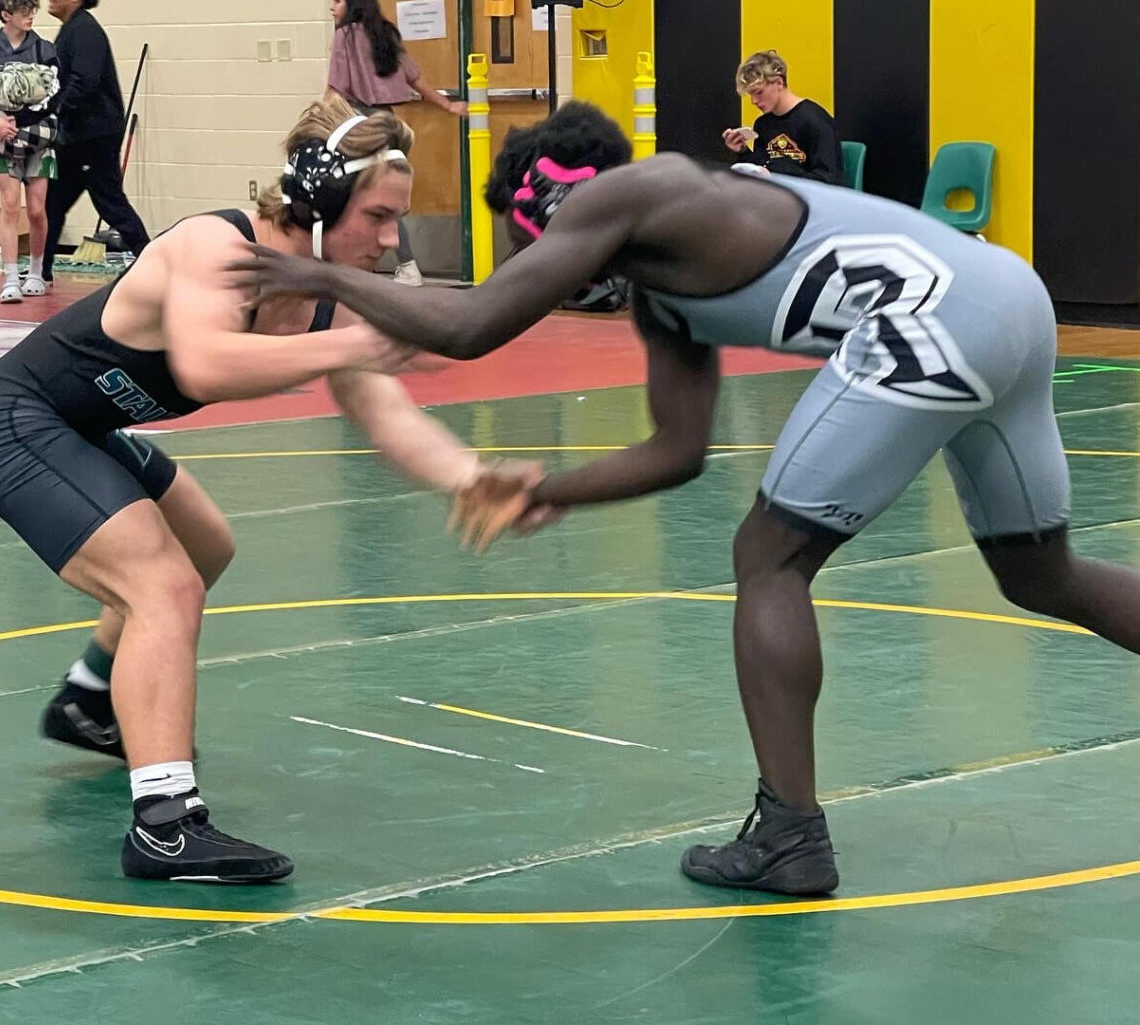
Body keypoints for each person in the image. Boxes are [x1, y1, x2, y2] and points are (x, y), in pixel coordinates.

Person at [232, 101, 1140, 896]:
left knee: (769, 557)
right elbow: (678, 450)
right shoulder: (667, 286)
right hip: (1010, 300)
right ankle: (788, 828)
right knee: (1038, 573)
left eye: (529, 251)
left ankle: (789, 834)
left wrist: (326, 277)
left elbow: (471, 326)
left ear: (548, 207)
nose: (540, 273)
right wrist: (545, 488)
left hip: (933, 322)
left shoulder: (626, 194)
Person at [0, 96, 534, 884]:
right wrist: (357, 338)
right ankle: (163, 825)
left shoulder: (325, 299)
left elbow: (384, 411)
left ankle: (89, 701)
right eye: (380, 216)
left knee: (205, 545)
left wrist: (471, 475)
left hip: (82, 426)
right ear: (321, 202)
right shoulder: (214, 246)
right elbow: (204, 365)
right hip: (10, 419)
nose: (394, 239)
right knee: (163, 584)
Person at [327, 0, 466, 285]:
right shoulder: (385, 33)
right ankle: (406, 264)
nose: (331, 8)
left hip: (357, 121)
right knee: (384, 196)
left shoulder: (345, 36)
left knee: (351, 195)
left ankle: (357, 263)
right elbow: (416, 78)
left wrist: (317, 125)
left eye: (337, 1)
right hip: (387, 122)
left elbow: (334, 88)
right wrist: (447, 106)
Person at [39, 0, 149, 285]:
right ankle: (42, 271)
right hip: (77, 136)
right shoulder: (71, 29)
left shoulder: (85, 30)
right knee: (53, 202)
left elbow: (84, 81)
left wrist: (53, 110)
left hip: (93, 136)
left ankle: (150, 258)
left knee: (109, 202)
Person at [0, 0, 58, 304]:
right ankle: (10, 276)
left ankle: (36, 271)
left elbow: (55, 97)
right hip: (4, 141)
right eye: (23, 12)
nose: (30, 16)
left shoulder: (45, 50)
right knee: (8, 204)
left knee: (36, 209)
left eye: (33, 10)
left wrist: (22, 121)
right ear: (6, 15)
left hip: (38, 141)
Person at [723, 50, 842, 186]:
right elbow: (762, 167)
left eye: (759, 92)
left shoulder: (815, 121)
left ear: (779, 83)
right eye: (751, 94)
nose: (753, 101)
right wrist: (743, 151)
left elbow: (828, 178)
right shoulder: (763, 124)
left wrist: (778, 177)